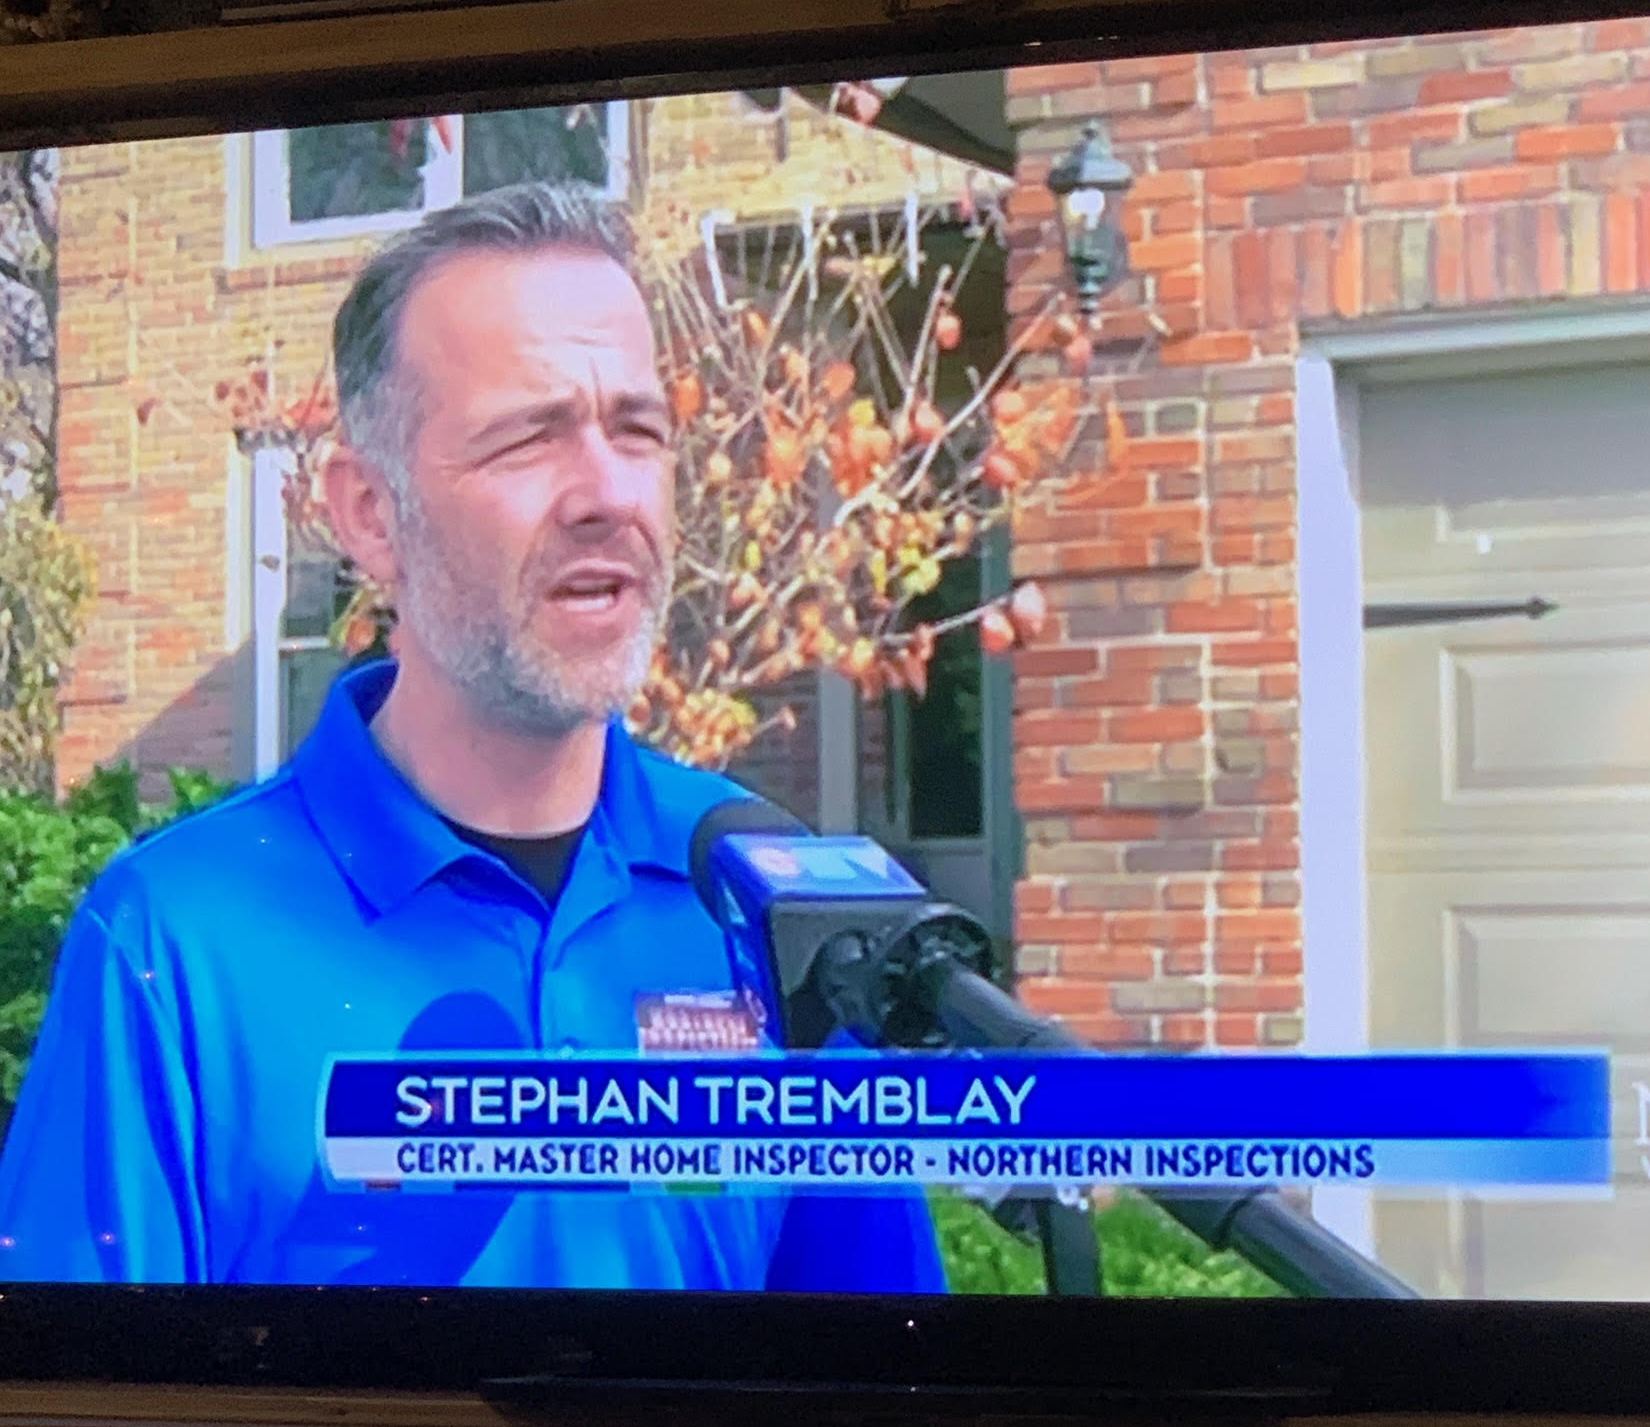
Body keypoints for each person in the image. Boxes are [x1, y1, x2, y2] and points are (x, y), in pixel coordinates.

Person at [0, 182, 947, 1291]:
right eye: (527, 440)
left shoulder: (769, 905)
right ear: (369, 514)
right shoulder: (174, 939)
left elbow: (879, 1364)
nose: (607, 494)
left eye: (638, 431)